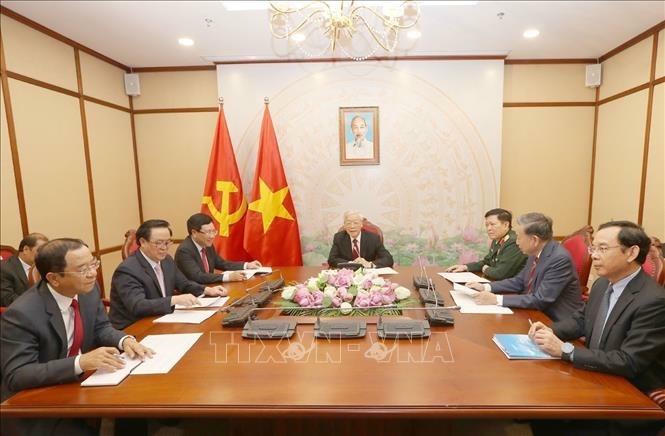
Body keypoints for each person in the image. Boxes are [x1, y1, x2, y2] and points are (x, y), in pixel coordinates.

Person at [0, 238, 153, 436]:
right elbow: (18, 374)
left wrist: (124, 340)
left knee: (136, 406)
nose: (93, 273)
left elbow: (101, 327)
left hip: (78, 383)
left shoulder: (88, 290)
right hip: (37, 402)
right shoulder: (22, 314)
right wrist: (80, 362)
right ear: (54, 278)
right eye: (82, 269)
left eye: (93, 263)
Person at [528, 221, 665, 435]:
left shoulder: (654, 301)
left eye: (603, 248)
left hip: (630, 393)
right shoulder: (603, 284)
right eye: (593, 248)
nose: (593, 256)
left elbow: (628, 361)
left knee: (549, 414)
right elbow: (581, 320)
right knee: (539, 406)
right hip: (597, 374)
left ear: (631, 253)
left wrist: (566, 350)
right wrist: (549, 330)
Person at [109, 219, 227, 330]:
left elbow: (183, 284)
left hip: (160, 319)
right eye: (158, 243)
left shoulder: (167, 260)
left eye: (167, 243)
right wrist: (174, 300)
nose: (164, 248)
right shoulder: (127, 270)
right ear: (143, 242)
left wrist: (207, 290)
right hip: (133, 328)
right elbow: (138, 305)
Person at [466, 212, 582, 321]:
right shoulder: (535, 252)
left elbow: (540, 299)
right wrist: (485, 287)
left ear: (534, 240)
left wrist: (496, 299)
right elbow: (519, 281)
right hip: (534, 312)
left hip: (554, 320)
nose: (516, 242)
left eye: (519, 237)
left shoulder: (559, 259)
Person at [175, 213, 261, 284]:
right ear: (194, 233)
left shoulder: (207, 245)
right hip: (192, 294)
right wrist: (228, 277)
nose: (212, 236)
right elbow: (198, 276)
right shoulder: (184, 251)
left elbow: (221, 263)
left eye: (213, 231)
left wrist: (246, 265)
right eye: (208, 232)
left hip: (209, 288)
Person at [445, 208, 526, 280]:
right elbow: (487, 261)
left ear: (506, 225)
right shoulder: (497, 239)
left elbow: (500, 274)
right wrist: (465, 267)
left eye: (492, 224)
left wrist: (484, 268)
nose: (488, 228)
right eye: (487, 225)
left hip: (512, 288)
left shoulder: (513, 242)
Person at [328, 211, 393, 268]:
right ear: (344, 225)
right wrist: (350, 264)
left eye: (355, 223)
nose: (352, 226)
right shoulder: (339, 238)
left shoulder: (373, 238)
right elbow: (332, 259)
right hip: (348, 274)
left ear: (361, 224)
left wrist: (370, 264)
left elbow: (388, 259)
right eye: (348, 223)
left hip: (369, 274)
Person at [1, 233, 48, 306]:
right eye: (40, 250)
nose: (44, 254)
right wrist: (36, 305)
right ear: (25, 249)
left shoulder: (45, 266)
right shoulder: (4, 268)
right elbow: (7, 298)